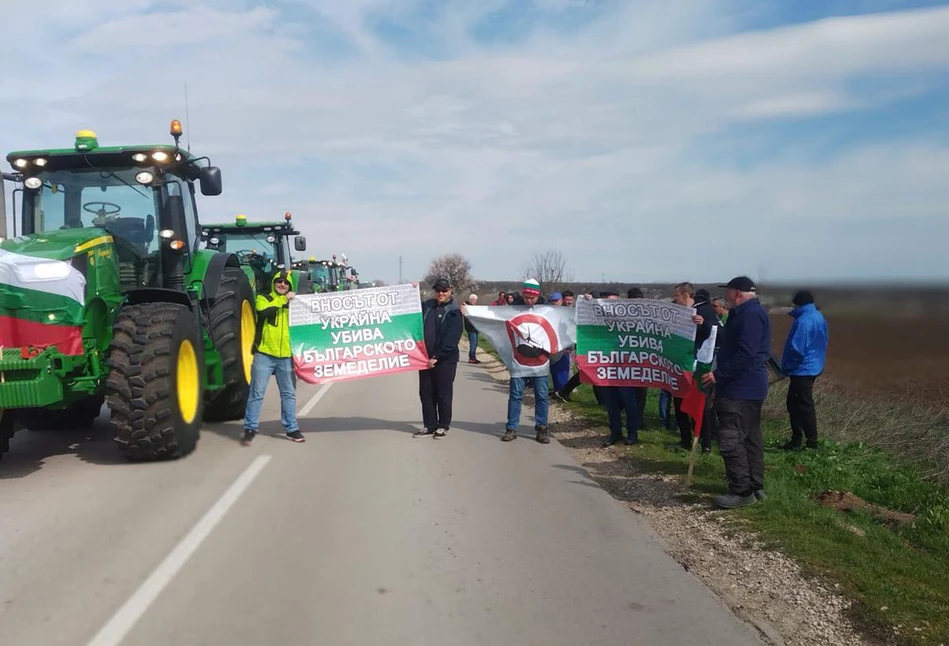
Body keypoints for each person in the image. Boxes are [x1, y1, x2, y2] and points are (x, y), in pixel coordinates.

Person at [701, 276, 772, 509]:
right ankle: (755, 483)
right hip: (748, 387)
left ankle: (741, 491)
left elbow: (746, 353)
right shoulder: (749, 313)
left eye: (728, 292)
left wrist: (718, 375)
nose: (726, 297)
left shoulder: (749, 315)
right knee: (750, 437)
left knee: (731, 438)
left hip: (739, 388)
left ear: (737, 293)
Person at [242, 270, 304, 445]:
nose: (282, 284)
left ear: (290, 285)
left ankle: (292, 428)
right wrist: (284, 300)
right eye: (279, 281)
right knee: (256, 393)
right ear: (273, 283)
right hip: (265, 354)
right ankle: (250, 428)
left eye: (286, 282)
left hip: (286, 356)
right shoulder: (264, 298)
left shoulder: (296, 304)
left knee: (289, 394)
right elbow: (264, 312)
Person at [671, 282, 719, 453]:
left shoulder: (705, 310)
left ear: (685, 295)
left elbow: (717, 333)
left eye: (677, 296)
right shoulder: (676, 310)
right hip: (680, 365)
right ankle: (685, 439)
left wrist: (703, 323)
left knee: (700, 406)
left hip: (698, 366)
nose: (675, 299)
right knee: (678, 403)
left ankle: (705, 443)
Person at [502, 279, 551, 444]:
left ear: (538, 296)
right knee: (515, 395)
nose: (529, 301)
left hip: (541, 361)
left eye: (532, 298)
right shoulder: (513, 309)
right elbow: (493, 316)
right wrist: (471, 311)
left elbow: (566, 316)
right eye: (526, 297)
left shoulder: (547, 310)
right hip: (519, 361)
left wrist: (587, 302)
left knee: (542, 396)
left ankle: (542, 428)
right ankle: (511, 428)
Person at [414, 278, 463, 439]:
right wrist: (412, 290)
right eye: (438, 291)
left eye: (444, 291)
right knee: (426, 393)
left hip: (444, 360)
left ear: (450, 291)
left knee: (443, 393)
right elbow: (410, 308)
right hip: (424, 358)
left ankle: (443, 426)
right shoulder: (428, 306)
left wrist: (436, 357)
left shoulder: (454, 311)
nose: (441, 294)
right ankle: (429, 425)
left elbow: (452, 338)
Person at [780, 290, 828, 451]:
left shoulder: (804, 320)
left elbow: (797, 348)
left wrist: (788, 366)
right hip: (813, 365)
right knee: (801, 403)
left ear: (797, 303)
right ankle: (803, 440)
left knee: (799, 405)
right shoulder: (818, 317)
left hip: (802, 369)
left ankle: (806, 442)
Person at [464, 293, 481, 364]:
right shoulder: (468, 308)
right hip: (471, 328)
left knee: (475, 343)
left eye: (476, 300)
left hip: (474, 328)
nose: (475, 302)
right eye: (474, 300)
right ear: (471, 299)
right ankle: (471, 358)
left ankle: (473, 357)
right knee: (473, 343)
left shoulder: (471, 307)